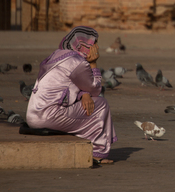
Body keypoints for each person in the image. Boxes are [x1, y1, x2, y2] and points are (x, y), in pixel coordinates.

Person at [26, 26, 117, 164]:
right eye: (94, 43)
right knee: (101, 104)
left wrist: (84, 94)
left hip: (33, 116)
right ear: (84, 45)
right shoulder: (77, 62)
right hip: (49, 116)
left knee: (88, 102)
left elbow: (69, 84)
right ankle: (98, 152)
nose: (97, 47)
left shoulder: (57, 55)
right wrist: (93, 63)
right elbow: (95, 89)